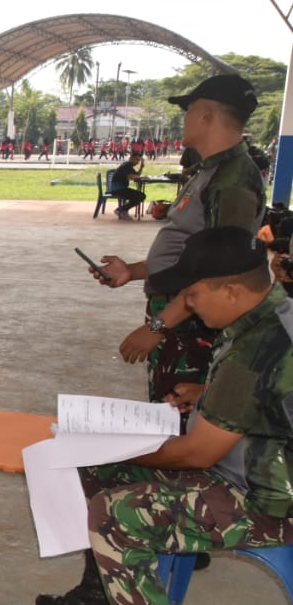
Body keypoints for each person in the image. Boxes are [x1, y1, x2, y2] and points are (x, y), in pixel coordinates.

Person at [37, 228, 293, 605]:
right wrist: (207, 393)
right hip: (257, 462)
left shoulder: (259, 348)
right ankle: (103, 594)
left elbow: (197, 453)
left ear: (231, 290)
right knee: (98, 474)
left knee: (118, 512)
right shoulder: (270, 317)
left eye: (193, 295)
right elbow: (265, 397)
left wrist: (107, 444)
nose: (187, 305)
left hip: (270, 500)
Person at [91, 75, 266, 428]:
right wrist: (134, 271)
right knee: (168, 415)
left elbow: (220, 271)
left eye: (188, 111)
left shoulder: (232, 179)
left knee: (181, 421)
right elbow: (192, 253)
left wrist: (158, 326)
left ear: (206, 115)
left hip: (192, 327)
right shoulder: (210, 170)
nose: (184, 120)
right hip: (178, 317)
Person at [109, 149, 145, 221]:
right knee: (140, 196)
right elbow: (131, 177)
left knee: (139, 196)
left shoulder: (129, 166)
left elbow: (136, 175)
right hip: (118, 189)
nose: (137, 162)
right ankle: (121, 210)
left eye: (139, 160)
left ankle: (123, 210)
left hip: (121, 188)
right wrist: (141, 177)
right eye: (136, 159)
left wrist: (141, 167)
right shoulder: (127, 165)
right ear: (131, 158)